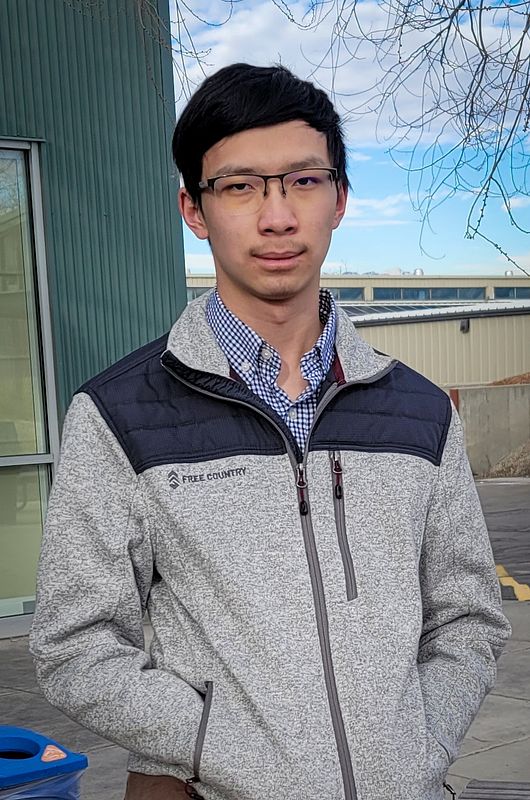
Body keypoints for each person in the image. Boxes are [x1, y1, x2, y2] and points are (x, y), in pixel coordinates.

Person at [30, 63, 510, 800]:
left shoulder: (419, 412)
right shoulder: (118, 415)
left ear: (341, 199)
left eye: (303, 181)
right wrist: (212, 744)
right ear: (194, 208)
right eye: (241, 186)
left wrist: (420, 744)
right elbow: (75, 646)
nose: (277, 215)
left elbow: (468, 617)